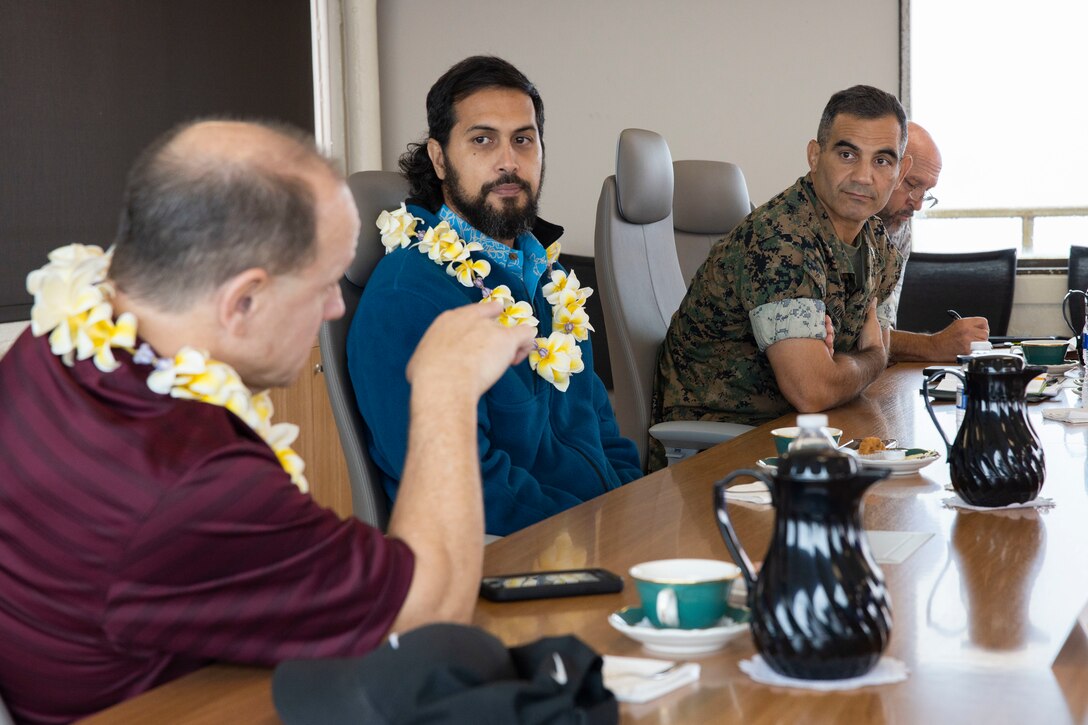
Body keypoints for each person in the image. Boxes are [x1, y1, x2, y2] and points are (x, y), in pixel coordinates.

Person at [0, 119, 538, 723]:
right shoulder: (193, 480)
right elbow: (425, 611)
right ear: (243, 302)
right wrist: (447, 386)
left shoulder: (53, 341)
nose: (338, 307)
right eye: (326, 283)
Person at [348, 56, 641, 536]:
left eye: (523, 140)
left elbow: (603, 433)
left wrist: (635, 507)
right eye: (482, 140)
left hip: (597, 532)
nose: (509, 161)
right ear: (440, 158)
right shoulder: (408, 295)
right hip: (508, 553)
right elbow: (468, 493)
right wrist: (594, 533)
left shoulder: (552, 278)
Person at [651, 85, 910, 470]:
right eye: (846, 154)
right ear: (814, 155)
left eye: (882, 161)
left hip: (801, 435)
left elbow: (867, 345)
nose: (864, 177)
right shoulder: (781, 237)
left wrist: (847, 360)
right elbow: (814, 388)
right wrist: (872, 357)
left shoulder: (875, 240)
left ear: (899, 171)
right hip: (723, 453)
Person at [879, 121, 989, 360]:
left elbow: (881, 331)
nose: (918, 203)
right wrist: (933, 345)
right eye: (912, 184)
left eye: (926, 191)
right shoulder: (836, 226)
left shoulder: (899, 230)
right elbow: (848, 340)